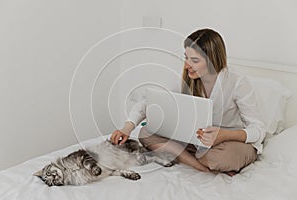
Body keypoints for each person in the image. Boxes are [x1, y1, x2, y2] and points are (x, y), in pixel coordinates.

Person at [110, 28, 266, 175]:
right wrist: (127, 127)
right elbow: (148, 103)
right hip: (198, 140)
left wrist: (223, 135)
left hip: (230, 142)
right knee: (146, 131)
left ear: (212, 60)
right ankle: (199, 165)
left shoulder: (237, 82)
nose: (187, 66)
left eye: (195, 60)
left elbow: (258, 130)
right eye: (186, 57)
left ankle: (201, 159)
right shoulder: (185, 79)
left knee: (216, 157)